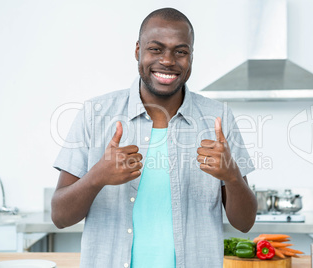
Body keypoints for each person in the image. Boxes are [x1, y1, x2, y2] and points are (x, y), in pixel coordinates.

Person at [51, 7, 257, 268]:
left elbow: (245, 223)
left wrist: (232, 176)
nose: (168, 61)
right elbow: (60, 216)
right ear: (138, 51)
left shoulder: (219, 118)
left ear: (191, 57)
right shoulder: (95, 115)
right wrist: (97, 177)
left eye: (180, 51)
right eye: (156, 49)